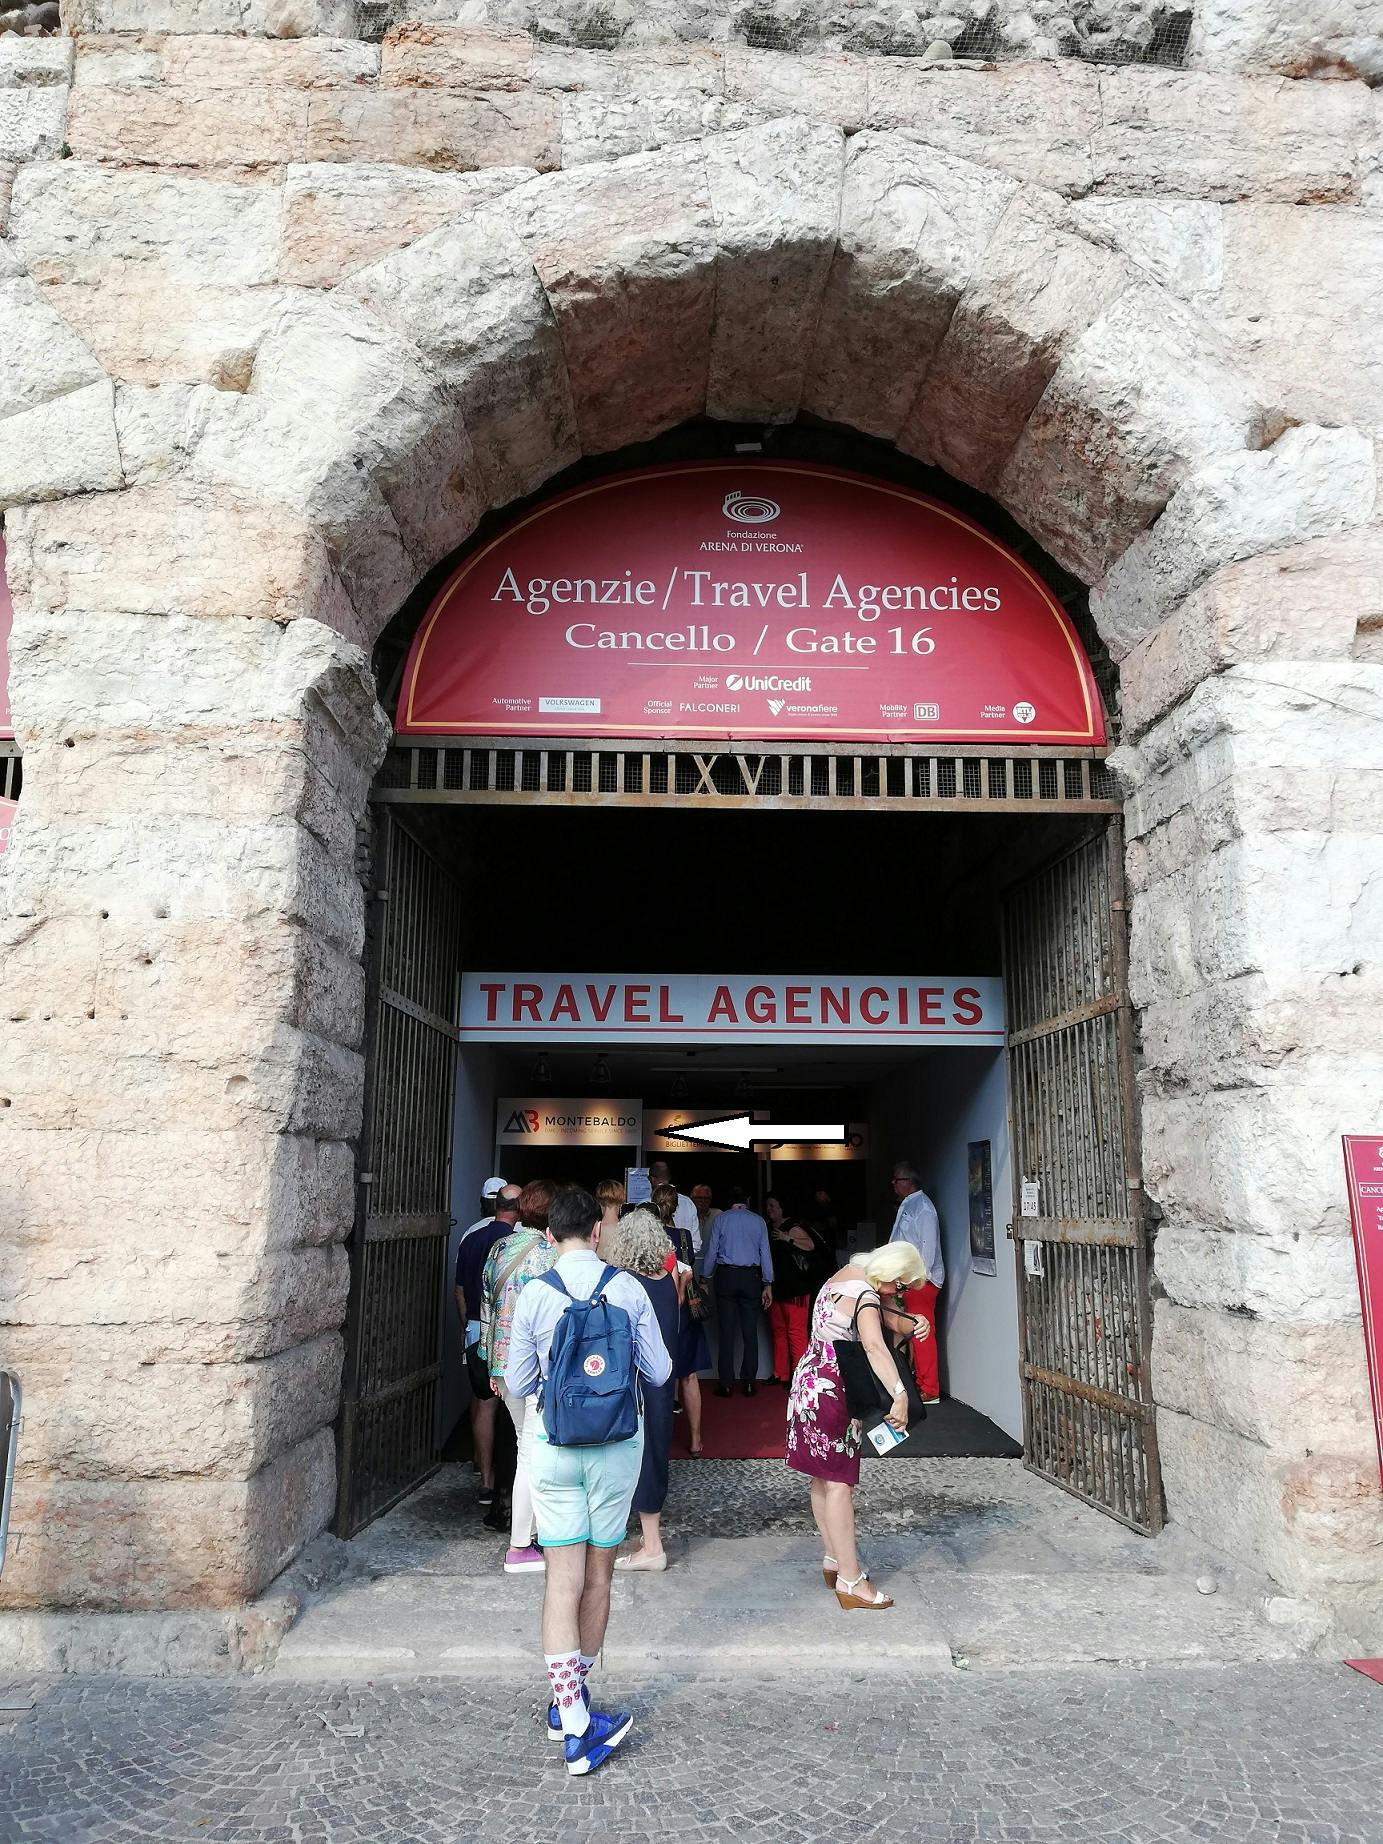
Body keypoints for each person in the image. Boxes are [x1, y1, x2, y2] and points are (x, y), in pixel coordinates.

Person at [505, 1185, 672, 1776]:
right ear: (598, 1231)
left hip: (553, 1448)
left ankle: (566, 1708)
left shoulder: (534, 1293)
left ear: (549, 1235)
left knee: (561, 1579)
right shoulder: (628, 1288)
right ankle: (577, 1723)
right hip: (616, 1449)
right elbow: (659, 1370)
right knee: (599, 1575)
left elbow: (518, 1382)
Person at [785, 1243, 930, 1610]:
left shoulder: (847, 1274)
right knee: (839, 1484)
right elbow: (874, 1347)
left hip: (809, 1384)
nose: (898, 1292)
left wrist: (912, 1322)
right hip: (836, 1389)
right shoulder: (866, 1295)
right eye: (900, 1285)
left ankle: (834, 1558)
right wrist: (899, 1394)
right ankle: (851, 1580)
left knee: (822, 1478)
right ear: (890, 1274)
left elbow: (889, 1318)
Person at [483, 1177, 556, 1573]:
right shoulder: (549, 1254)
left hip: (504, 1364)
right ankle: (524, 1543)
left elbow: (487, 1305)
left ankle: (535, 1535)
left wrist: (490, 1362)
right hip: (535, 1366)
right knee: (534, 1452)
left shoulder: (499, 1247)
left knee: (524, 1445)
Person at [606, 1207, 680, 1572]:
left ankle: (652, 1547)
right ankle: (648, 1539)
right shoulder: (666, 1279)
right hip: (662, 1381)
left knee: (637, 1457)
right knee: (655, 1453)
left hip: (636, 1383)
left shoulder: (626, 1284)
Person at [454, 1181, 520, 1507]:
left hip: (474, 1327)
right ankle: (511, 1480)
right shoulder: (517, 1241)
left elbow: (459, 1290)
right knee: (511, 1403)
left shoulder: (470, 1236)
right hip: (506, 1328)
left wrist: (468, 1326)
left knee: (482, 1401)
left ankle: (485, 1478)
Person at [653, 1182, 708, 1455]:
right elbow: (690, 1267)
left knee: (655, 1375)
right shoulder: (684, 1237)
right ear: (676, 1208)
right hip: (684, 1311)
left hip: (656, 1308)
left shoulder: (650, 1238)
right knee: (689, 1375)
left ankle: (657, 1439)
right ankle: (696, 1439)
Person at [703, 1185, 772, 1397]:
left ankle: (725, 1383)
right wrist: (768, 1283)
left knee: (726, 1332)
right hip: (751, 1278)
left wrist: (705, 1278)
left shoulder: (721, 1220)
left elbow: (712, 1251)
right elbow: (765, 1253)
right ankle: (749, 1382)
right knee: (750, 1333)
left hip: (727, 1276)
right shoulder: (758, 1221)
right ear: (747, 1200)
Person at [888, 1160, 944, 1403]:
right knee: (913, 1332)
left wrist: (912, 1281)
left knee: (921, 1334)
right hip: (909, 1280)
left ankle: (929, 1388)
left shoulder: (923, 1208)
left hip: (921, 1281)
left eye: (897, 1180)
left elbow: (926, 1251)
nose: (893, 1184)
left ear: (909, 1181)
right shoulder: (910, 1204)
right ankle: (920, 1382)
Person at [765, 1192, 833, 1386]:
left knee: (796, 1332)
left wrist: (788, 1238)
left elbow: (810, 1246)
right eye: (768, 1206)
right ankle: (780, 1373)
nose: (769, 1210)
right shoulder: (769, 1228)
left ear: (782, 1208)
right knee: (778, 1331)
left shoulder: (793, 1227)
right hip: (777, 1287)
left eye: (773, 1206)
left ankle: (798, 1373)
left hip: (796, 1288)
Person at [647, 1159, 702, 1254]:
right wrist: (681, 1256)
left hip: (653, 1261)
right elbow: (696, 1245)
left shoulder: (645, 1204)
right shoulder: (688, 1203)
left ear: (652, 1179)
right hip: (683, 1261)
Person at [690, 1183, 717, 1256]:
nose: (702, 1201)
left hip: (713, 1260)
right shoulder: (686, 1216)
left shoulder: (718, 1216)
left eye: (706, 1198)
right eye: (699, 1198)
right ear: (691, 1199)